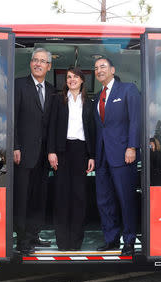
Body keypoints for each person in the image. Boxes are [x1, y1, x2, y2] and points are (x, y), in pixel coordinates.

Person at [93, 57, 141, 256]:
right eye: (96, 68)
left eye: (103, 66)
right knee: (105, 200)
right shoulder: (97, 96)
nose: (99, 70)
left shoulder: (128, 89)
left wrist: (132, 147)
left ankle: (129, 240)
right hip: (102, 154)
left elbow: (135, 121)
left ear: (112, 69)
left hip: (123, 154)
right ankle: (111, 238)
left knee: (126, 198)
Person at [47, 67, 96, 251]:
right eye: (69, 77)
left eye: (75, 77)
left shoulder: (89, 103)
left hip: (81, 151)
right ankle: (62, 242)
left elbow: (92, 131)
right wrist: (51, 151)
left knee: (79, 197)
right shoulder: (57, 100)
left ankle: (75, 243)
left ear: (82, 80)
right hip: (61, 150)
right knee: (61, 196)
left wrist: (92, 156)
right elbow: (51, 126)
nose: (72, 80)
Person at [13, 48, 55, 255]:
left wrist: (53, 151)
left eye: (42, 61)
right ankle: (22, 241)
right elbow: (12, 119)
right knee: (22, 200)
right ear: (30, 63)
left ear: (49, 66)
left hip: (43, 156)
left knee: (39, 199)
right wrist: (15, 146)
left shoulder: (52, 89)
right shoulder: (19, 85)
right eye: (35, 60)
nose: (38, 64)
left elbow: (51, 125)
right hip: (23, 154)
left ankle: (34, 235)